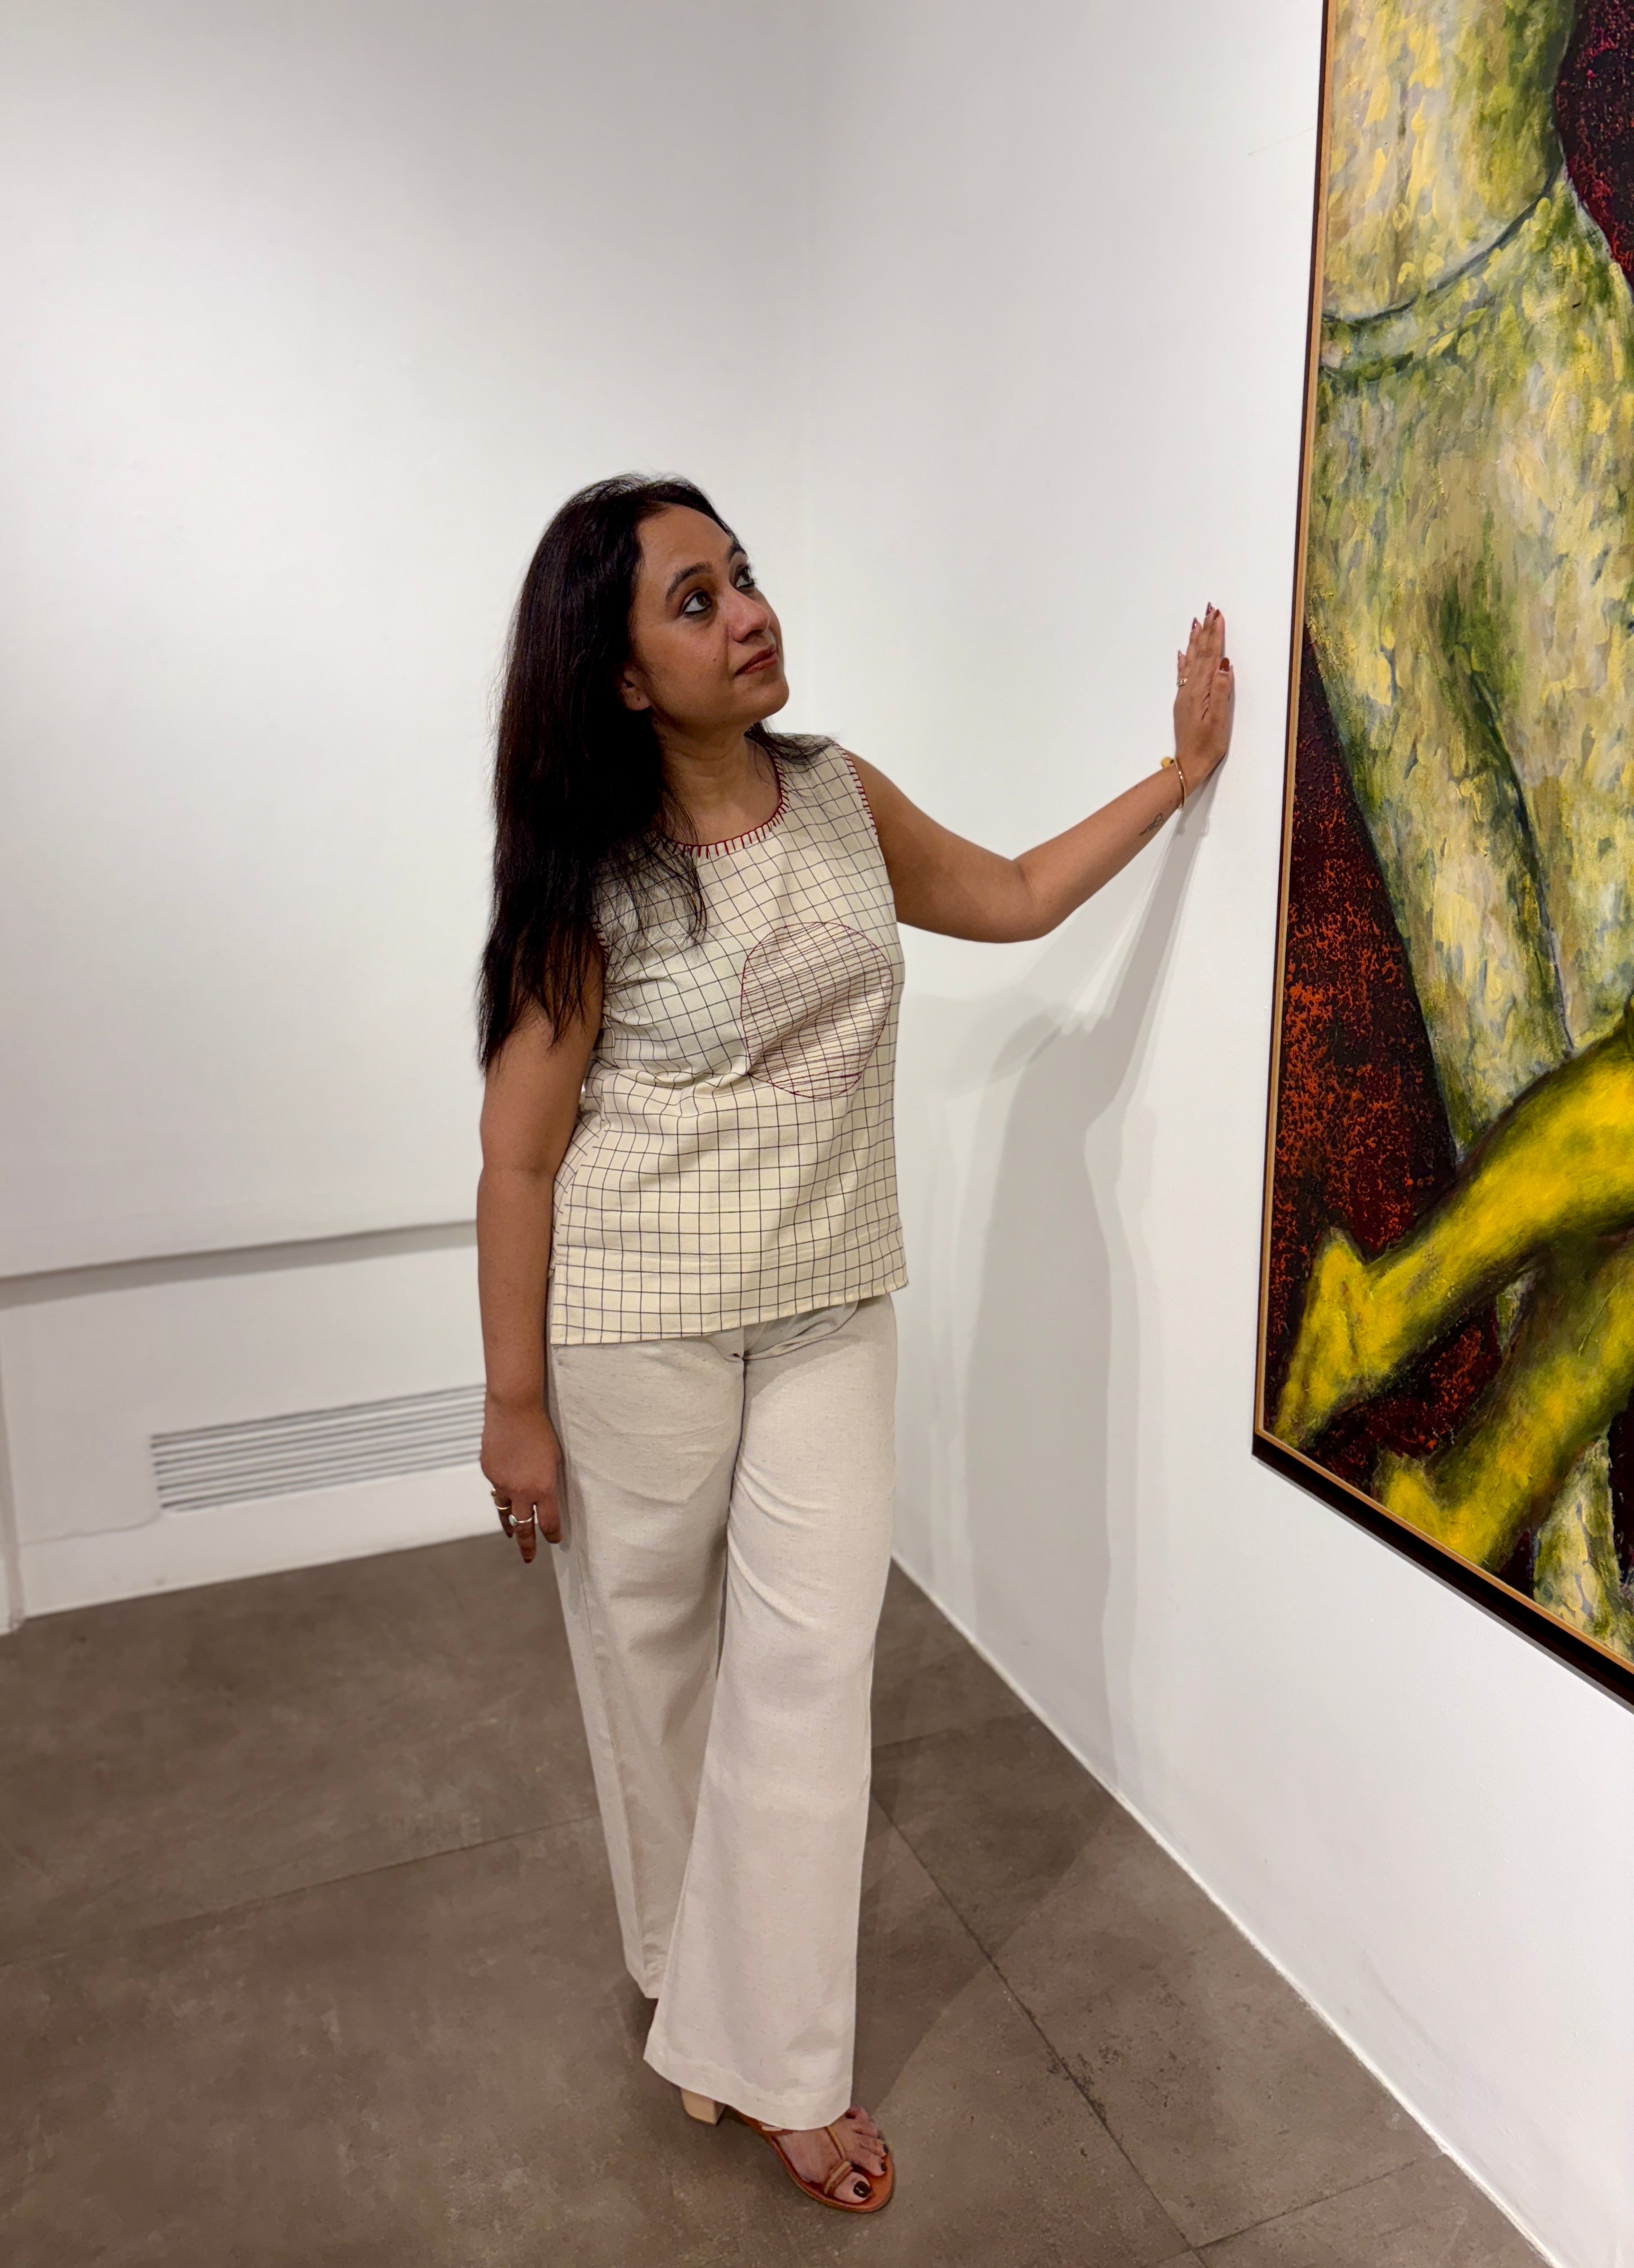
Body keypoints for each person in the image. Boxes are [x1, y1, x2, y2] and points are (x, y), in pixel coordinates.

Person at [474, 474, 1232, 2214]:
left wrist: (1181, 776)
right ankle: (686, 1974)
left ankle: (783, 2065)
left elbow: (1017, 894)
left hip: (827, 1303)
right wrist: (516, 1405)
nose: (748, 613)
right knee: (655, 1672)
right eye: (693, 601)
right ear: (619, 677)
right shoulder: (592, 880)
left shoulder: (837, 796)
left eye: (740, 575)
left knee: (809, 1681)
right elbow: (518, 1152)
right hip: (637, 1328)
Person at [1286, 0, 1634, 1652]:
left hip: (1529, 365)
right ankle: (1562, 1572)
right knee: (1487, 1030)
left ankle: (1428, 1371)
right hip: (1347, 434)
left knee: (1615, 1003)